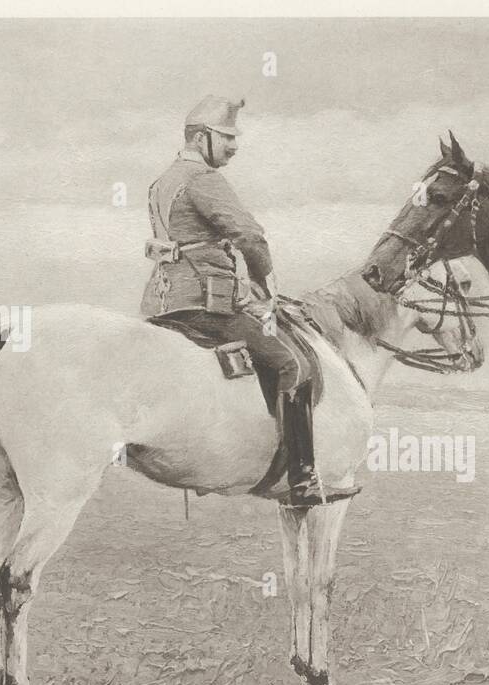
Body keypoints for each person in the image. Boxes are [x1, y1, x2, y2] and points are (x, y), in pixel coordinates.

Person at [140, 95, 353, 506]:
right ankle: (304, 478)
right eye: (226, 137)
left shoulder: (161, 181)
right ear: (201, 138)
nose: (234, 146)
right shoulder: (202, 180)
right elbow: (249, 235)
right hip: (206, 303)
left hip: (162, 304)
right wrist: (266, 282)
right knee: (294, 365)